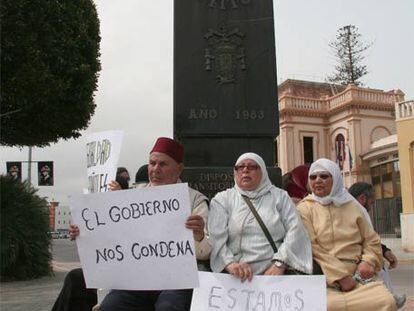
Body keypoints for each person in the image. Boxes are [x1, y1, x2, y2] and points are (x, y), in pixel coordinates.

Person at [70, 137, 211, 311]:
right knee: (110, 307)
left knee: (169, 307)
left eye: (163, 164)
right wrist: (83, 231)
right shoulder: (131, 197)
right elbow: (110, 237)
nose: (155, 169)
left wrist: (198, 235)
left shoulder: (195, 200)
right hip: (136, 281)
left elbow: (205, 252)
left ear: (179, 168)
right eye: (152, 163)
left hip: (174, 281)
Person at [297, 158, 397, 311]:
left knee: (386, 302)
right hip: (326, 278)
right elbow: (311, 247)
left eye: (324, 176)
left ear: (335, 178)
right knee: (327, 306)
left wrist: (368, 261)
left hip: (359, 275)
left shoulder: (352, 206)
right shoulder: (305, 208)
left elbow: (371, 240)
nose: (318, 180)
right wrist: (341, 277)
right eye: (313, 177)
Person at [208, 152, 313, 282]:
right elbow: (216, 237)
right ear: (235, 173)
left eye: (252, 167)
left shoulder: (280, 197)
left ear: (262, 171)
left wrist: (279, 263)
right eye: (240, 167)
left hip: (274, 274)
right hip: (236, 278)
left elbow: (295, 230)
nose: (245, 170)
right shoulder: (222, 200)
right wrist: (230, 264)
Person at [51, 167, 132, 311]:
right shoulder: (96, 215)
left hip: (126, 276)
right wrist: (78, 232)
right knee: (76, 279)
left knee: (78, 280)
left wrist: (120, 200)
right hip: (104, 272)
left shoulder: (133, 211)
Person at [348, 182, 406, 308]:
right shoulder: (354, 211)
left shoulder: (356, 209)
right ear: (363, 198)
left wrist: (384, 250)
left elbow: (370, 237)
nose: (371, 206)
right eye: (371, 202)